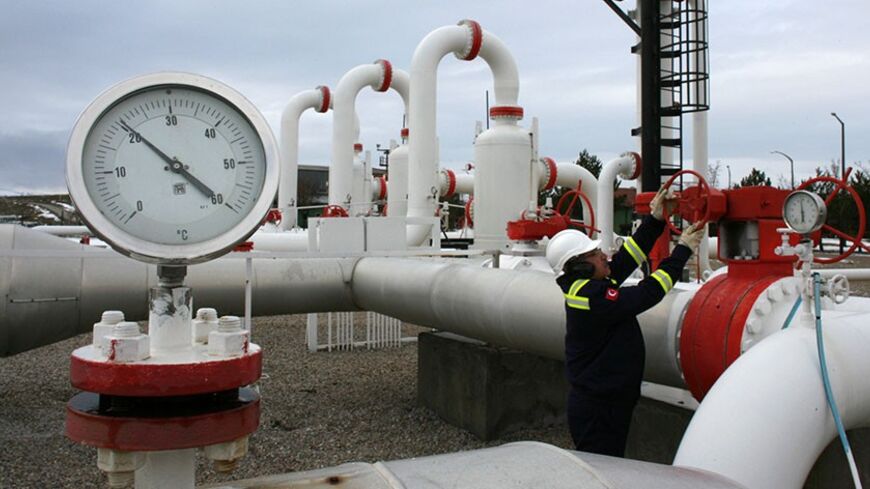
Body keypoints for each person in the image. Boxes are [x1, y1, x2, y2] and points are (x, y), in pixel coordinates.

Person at [545, 185, 705, 457]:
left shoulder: (588, 282)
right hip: (599, 408)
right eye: (596, 254)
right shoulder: (590, 296)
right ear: (580, 265)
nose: (605, 256)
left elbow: (627, 258)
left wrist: (654, 219)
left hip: (606, 400)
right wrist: (682, 252)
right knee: (603, 468)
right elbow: (647, 293)